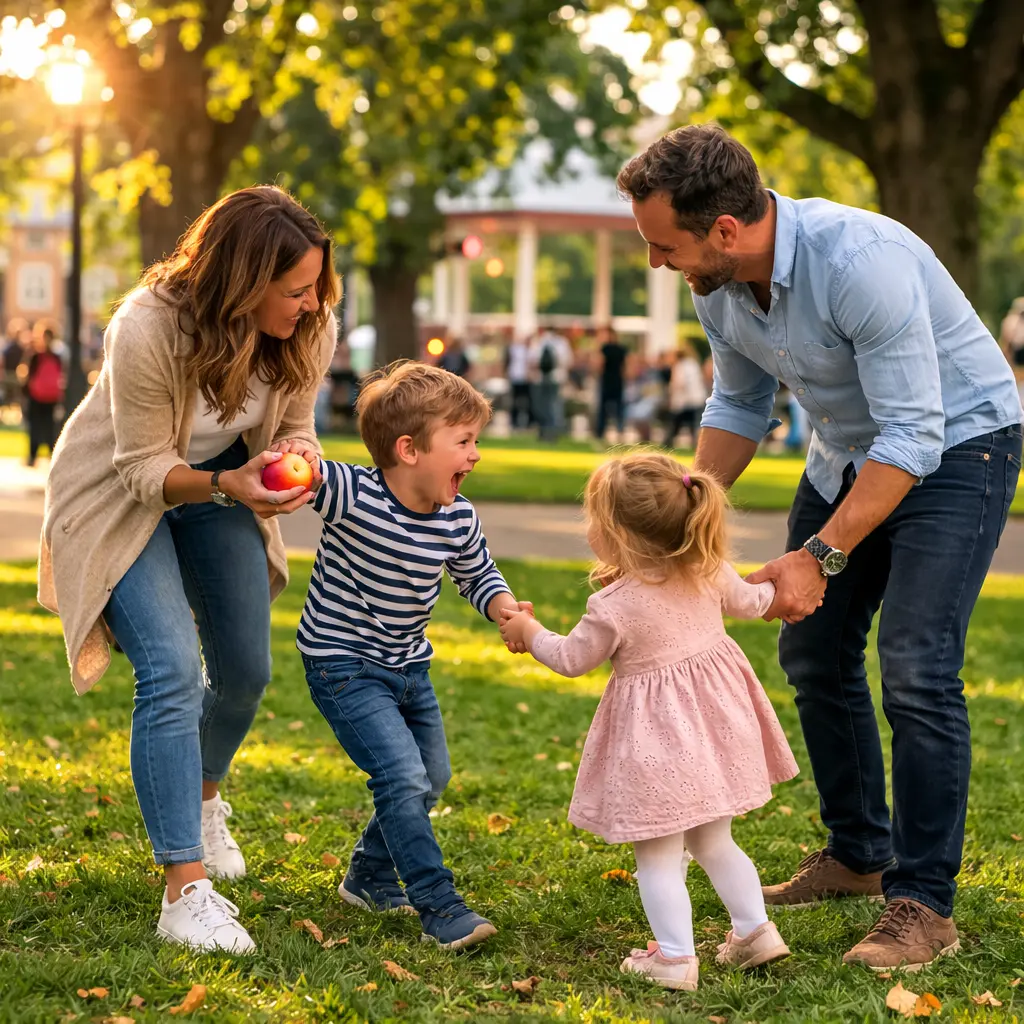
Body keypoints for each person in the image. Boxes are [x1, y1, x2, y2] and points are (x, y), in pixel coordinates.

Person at [617, 123, 1023, 970]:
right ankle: (858, 855)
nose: (659, 263)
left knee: (916, 665)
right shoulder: (718, 282)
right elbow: (740, 406)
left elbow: (915, 435)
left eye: (665, 245)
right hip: (849, 449)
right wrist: (680, 519)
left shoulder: (858, 261)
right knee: (813, 646)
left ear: (725, 229)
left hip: (960, 447)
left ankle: (923, 904)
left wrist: (820, 556)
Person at [38, 185, 342, 954]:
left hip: (224, 481)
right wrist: (227, 486)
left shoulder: (312, 323)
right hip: (120, 491)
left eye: (316, 288)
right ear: (243, 283)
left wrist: (298, 451)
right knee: (172, 668)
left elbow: (298, 417)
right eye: (295, 290)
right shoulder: (147, 326)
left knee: (244, 670)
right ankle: (184, 887)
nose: (311, 305)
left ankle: (203, 796)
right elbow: (142, 467)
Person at [499, 451, 797, 991]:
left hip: (655, 745)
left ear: (616, 534)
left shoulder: (613, 606)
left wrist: (528, 630)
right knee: (714, 843)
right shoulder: (707, 568)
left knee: (658, 855)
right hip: (716, 732)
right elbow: (756, 602)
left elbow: (570, 659)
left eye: (594, 519)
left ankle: (675, 959)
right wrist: (788, 590)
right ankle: (755, 932)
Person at [297, 360, 531, 950]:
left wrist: (503, 607)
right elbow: (306, 473)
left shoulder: (457, 517)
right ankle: (438, 904)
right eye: (464, 441)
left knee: (431, 777)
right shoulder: (353, 493)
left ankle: (370, 876)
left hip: (407, 666)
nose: (475, 455)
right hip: (342, 663)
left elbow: (478, 574)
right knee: (400, 776)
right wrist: (289, 462)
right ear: (409, 450)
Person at [24, 324, 64, 466]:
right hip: (51, 396)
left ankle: (32, 456)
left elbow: (28, 376)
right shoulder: (57, 357)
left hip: (36, 396)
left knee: (35, 425)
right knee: (50, 425)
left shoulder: (35, 356)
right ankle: (51, 454)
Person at [529, 326, 572, 442]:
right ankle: (552, 431)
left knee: (543, 406)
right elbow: (567, 361)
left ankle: (545, 430)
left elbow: (532, 361)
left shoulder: (539, 342)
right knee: (554, 406)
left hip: (542, 379)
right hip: (556, 378)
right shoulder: (561, 343)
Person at [667, 342, 707, 449]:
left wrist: (672, 393)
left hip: (686, 401)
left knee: (677, 422)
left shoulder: (679, 366)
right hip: (698, 398)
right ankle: (696, 445)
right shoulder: (693, 364)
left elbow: (680, 384)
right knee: (695, 424)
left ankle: (668, 443)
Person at [594, 325, 627, 441]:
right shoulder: (621, 349)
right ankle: (620, 431)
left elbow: (599, 365)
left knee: (603, 409)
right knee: (618, 409)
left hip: (607, 381)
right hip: (618, 381)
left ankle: (600, 432)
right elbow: (625, 368)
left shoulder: (604, 349)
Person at [505, 334, 533, 429]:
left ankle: (527, 422)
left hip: (525, 379)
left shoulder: (529, 350)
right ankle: (514, 421)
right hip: (516, 378)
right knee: (515, 401)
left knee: (527, 401)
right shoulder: (516, 349)